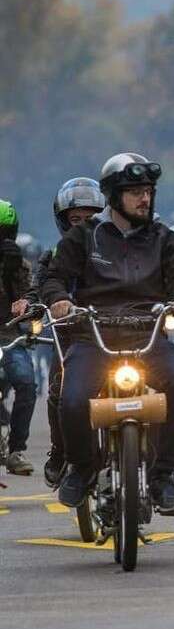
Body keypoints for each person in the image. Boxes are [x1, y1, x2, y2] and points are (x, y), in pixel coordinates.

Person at [42, 153, 174, 513]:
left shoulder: (164, 237)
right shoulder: (84, 236)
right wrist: (58, 300)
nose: (144, 199)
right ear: (114, 196)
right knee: (71, 399)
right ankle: (82, 468)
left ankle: (165, 475)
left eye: (148, 191)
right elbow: (54, 277)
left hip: (148, 335)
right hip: (92, 336)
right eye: (135, 192)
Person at [19, 177, 106, 486]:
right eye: (76, 219)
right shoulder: (55, 255)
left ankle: (147, 456)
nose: (84, 225)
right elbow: (39, 284)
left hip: (114, 335)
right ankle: (61, 451)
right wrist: (30, 305)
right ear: (63, 222)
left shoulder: (120, 251)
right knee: (59, 388)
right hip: (71, 337)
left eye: (91, 219)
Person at [0, 200, 37, 477]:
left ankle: (16, 449)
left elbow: (29, 302)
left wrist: (12, 272)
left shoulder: (19, 265)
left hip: (9, 337)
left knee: (27, 383)